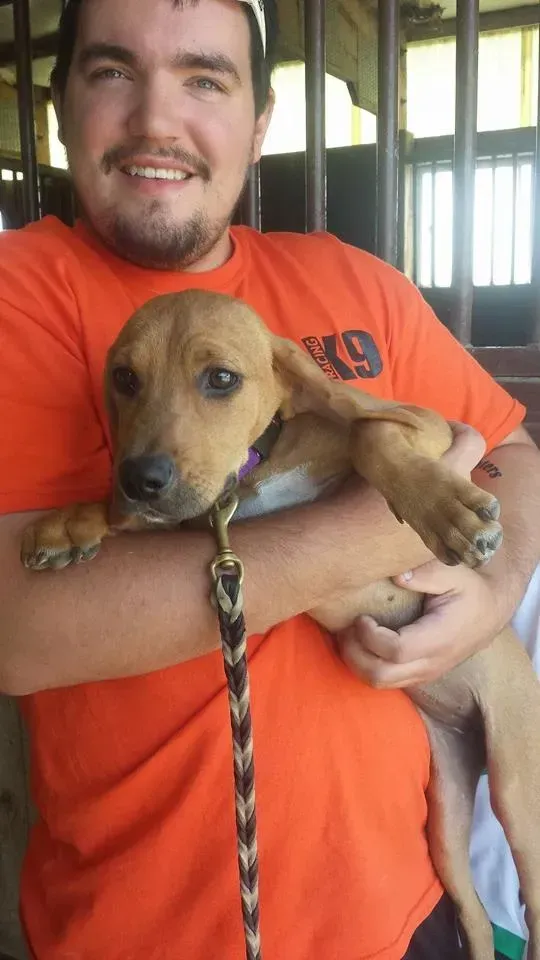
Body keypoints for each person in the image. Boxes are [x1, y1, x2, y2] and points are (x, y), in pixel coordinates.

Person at [0, 0, 538, 957]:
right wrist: (381, 526)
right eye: (113, 71)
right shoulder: (21, 292)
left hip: (401, 910)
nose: (158, 120)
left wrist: (493, 590)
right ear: (59, 104)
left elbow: (512, 452)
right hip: (153, 935)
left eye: (204, 78)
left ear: (259, 121)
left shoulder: (356, 280)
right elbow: (16, 626)